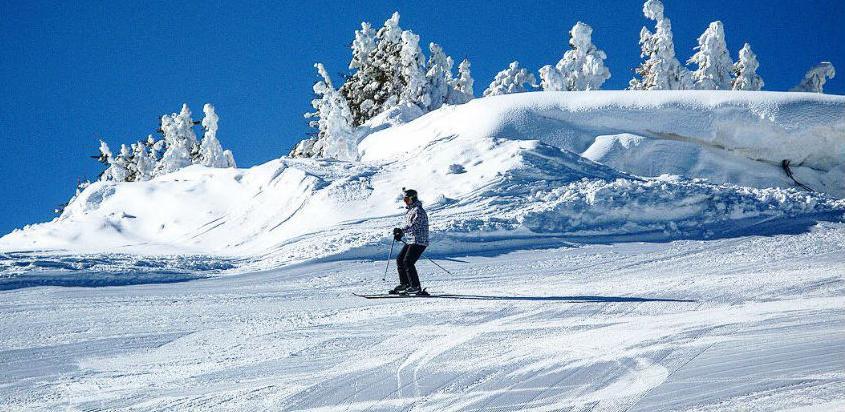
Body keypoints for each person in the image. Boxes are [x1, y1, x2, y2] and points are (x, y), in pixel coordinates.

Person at [391, 188, 429, 295]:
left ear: (413, 198)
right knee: (400, 259)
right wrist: (399, 232)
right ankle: (405, 284)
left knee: (408, 261)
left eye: (407, 199)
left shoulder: (418, 211)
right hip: (412, 240)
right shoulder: (410, 210)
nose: (405, 202)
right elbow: (408, 226)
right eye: (404, 200)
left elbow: (415, 226)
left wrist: (402, 231)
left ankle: (415, 286)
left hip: (419, 240)